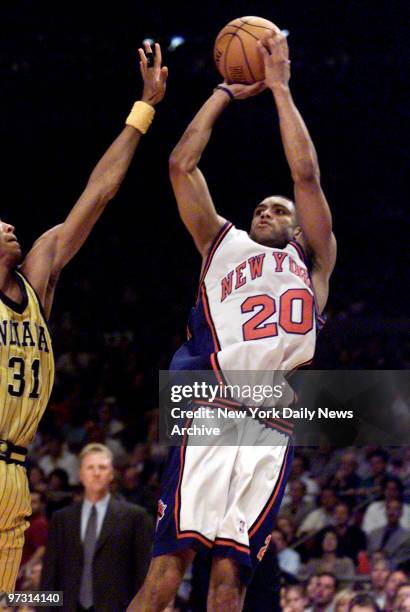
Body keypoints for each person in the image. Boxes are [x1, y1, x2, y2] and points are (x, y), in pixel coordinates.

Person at [128, 31, 336, 611]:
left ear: (298, 228)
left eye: (279, 210)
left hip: (272, 428)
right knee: (169, 570)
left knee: (231, 581)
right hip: (215, 413)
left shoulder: (313, 263)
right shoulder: (224, 244)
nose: (266, 210)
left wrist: (280, 91)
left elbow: (307, 177)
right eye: (259, 207)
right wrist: (223, 93)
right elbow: (179, 164)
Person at [0, 41, 167, 592]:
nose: (7, 224)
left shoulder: (36, 279)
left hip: (14, 472)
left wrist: (143, 110)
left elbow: (98, 194)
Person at [40, 443, 153, 611]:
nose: (96, 473)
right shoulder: (62, 519)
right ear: (80, 474)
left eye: (102, 467)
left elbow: (143, 574)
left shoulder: (135, 517)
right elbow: (49, 575)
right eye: (90, 467)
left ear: (112, 474)